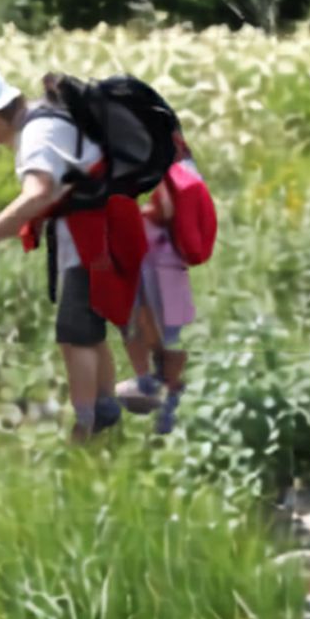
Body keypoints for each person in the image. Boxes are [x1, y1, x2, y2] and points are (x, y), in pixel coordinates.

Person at [0, 65, 133, 443]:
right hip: (99, 233)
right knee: (87, 332)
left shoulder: (37, 135)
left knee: (75, 336)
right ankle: (105, 416)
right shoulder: (46, 119)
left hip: (91, 240)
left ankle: (88, 428)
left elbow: (39, 192)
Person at [115, 149, 199, 434]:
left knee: (162, 328)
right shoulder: (172, 160)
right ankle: (161, 390)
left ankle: (168, 400)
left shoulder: (171, 165)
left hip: (159, 255)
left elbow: (166, 207)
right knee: (153, 324)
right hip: (154, 254)